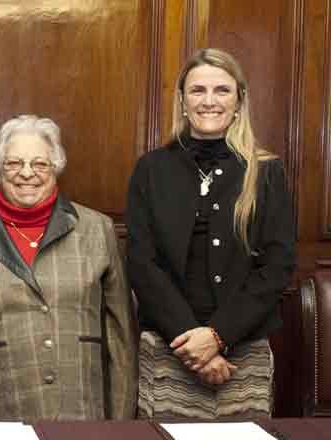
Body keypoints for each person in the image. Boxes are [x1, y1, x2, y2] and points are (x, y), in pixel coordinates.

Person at [0, 115, 137, 421]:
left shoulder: (97, 230)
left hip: (83, 416)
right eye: (14, 164)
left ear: (56, 167)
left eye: (39, 163)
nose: (27, 173)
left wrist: (120, 425)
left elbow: (121, 337)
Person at [126, 48, 296, 419]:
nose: (209, 101)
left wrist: (218, 336)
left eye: (222, 90)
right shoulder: (151, 169)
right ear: (182, 101)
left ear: (239, 102)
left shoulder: (266, 172)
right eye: (197, 90)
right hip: (171, 348)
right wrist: (192, 340)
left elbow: (277, 266)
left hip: (244, 350)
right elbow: (142, 263)